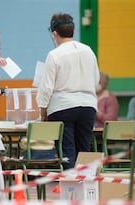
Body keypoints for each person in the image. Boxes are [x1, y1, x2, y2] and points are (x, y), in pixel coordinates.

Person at [36, 13, 100, 169]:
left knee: (67, 153)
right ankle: (85, 189)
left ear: (54, 33)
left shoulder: (54, 55)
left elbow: (47, 87)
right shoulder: (88, 51)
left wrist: (43, 112)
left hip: (62, 107)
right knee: (83, 151)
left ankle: (70, 191)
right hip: (88, 106)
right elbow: (96, 80)